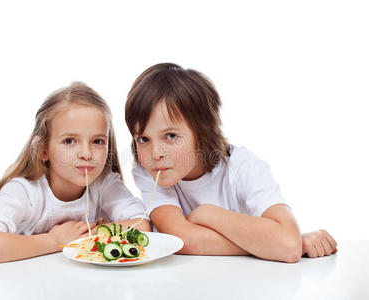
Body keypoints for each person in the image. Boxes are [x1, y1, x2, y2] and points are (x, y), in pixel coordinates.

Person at [125, 63, 337, 263]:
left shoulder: (244, 168)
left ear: (202, 130)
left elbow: (288, 246)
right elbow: (183, 240)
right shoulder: (151, 173)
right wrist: (269, 245)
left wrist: (207, 214)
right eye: (143, 139)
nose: (155, 153)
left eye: (171, 136)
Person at [0, 82, 150, 264]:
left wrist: (87, 235)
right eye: (70, 141)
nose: (86, 154)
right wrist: (54, 241)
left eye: (97, 141)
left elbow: (142, 224)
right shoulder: (24, 192)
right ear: (43, 150)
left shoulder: (103, 184)